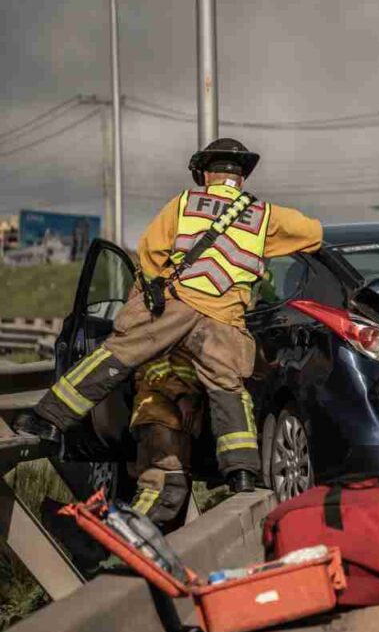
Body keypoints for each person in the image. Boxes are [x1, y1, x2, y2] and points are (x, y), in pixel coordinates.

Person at [15, 138, 323, 493]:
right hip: (224, 316)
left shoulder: (185, 203)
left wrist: (154, 296)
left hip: (177, 302)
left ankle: (48, 419)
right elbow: (313, 234)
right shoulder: (266, 216)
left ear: (206, 173)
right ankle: (241, 472)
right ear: (241, 177)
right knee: (227, 390)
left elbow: (149, 254)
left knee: (116, 356)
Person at [128, 350, 205, 529]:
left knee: (168, 488)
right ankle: (122, 539)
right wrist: (181, 396)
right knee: (162, 486)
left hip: (169, 420)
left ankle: (130, 542)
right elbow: (153, 364)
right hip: (162, 416)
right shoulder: (165, 327)